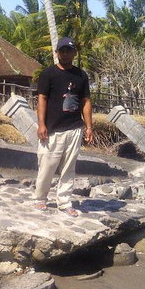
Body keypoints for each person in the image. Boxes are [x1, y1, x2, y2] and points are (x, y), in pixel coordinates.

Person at [33, 37, 93, 217]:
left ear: (74, 53)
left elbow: (86, 101)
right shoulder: (48, 73)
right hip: (52, 128)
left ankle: (65, 201)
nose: (65, 54)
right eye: (62, 50)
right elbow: (42, 99)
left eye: (69, 50)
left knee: (69, 167)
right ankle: (40, 198)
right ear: (57, 52)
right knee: (47, 164)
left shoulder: (81, 75)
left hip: (74, 128)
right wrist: (41, 124)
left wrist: (89, 127)